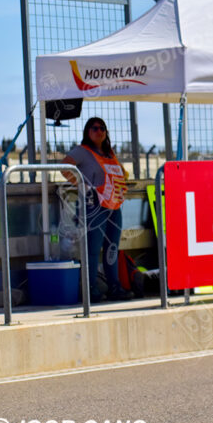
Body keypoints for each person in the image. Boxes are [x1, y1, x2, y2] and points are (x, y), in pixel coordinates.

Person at [61, 117, 132, 302]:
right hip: (94, 206)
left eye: (102, 128)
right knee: (93, 248)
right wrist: (81, 185)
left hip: (114, 206)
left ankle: (114, 286)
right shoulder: (82, 151)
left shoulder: (109, 153)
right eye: (94, 128)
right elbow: (64, 166)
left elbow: (120, 172)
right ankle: (90, 288)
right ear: (87, 131)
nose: (99, 131)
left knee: (112, 248)